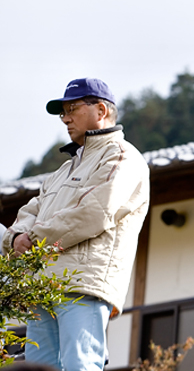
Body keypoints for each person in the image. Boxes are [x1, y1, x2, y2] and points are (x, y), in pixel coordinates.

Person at [1, 78, 150, 371]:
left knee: (80, 363)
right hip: (44, 284)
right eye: (63, 112)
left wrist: (31, 239)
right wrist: (17, 237)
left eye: (73, 108)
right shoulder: (62, 171)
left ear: (102, 110)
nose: (66, 118)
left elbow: (95, 211)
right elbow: (30, 211)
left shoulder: (122, 156)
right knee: (40, 366)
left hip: (83, 282)